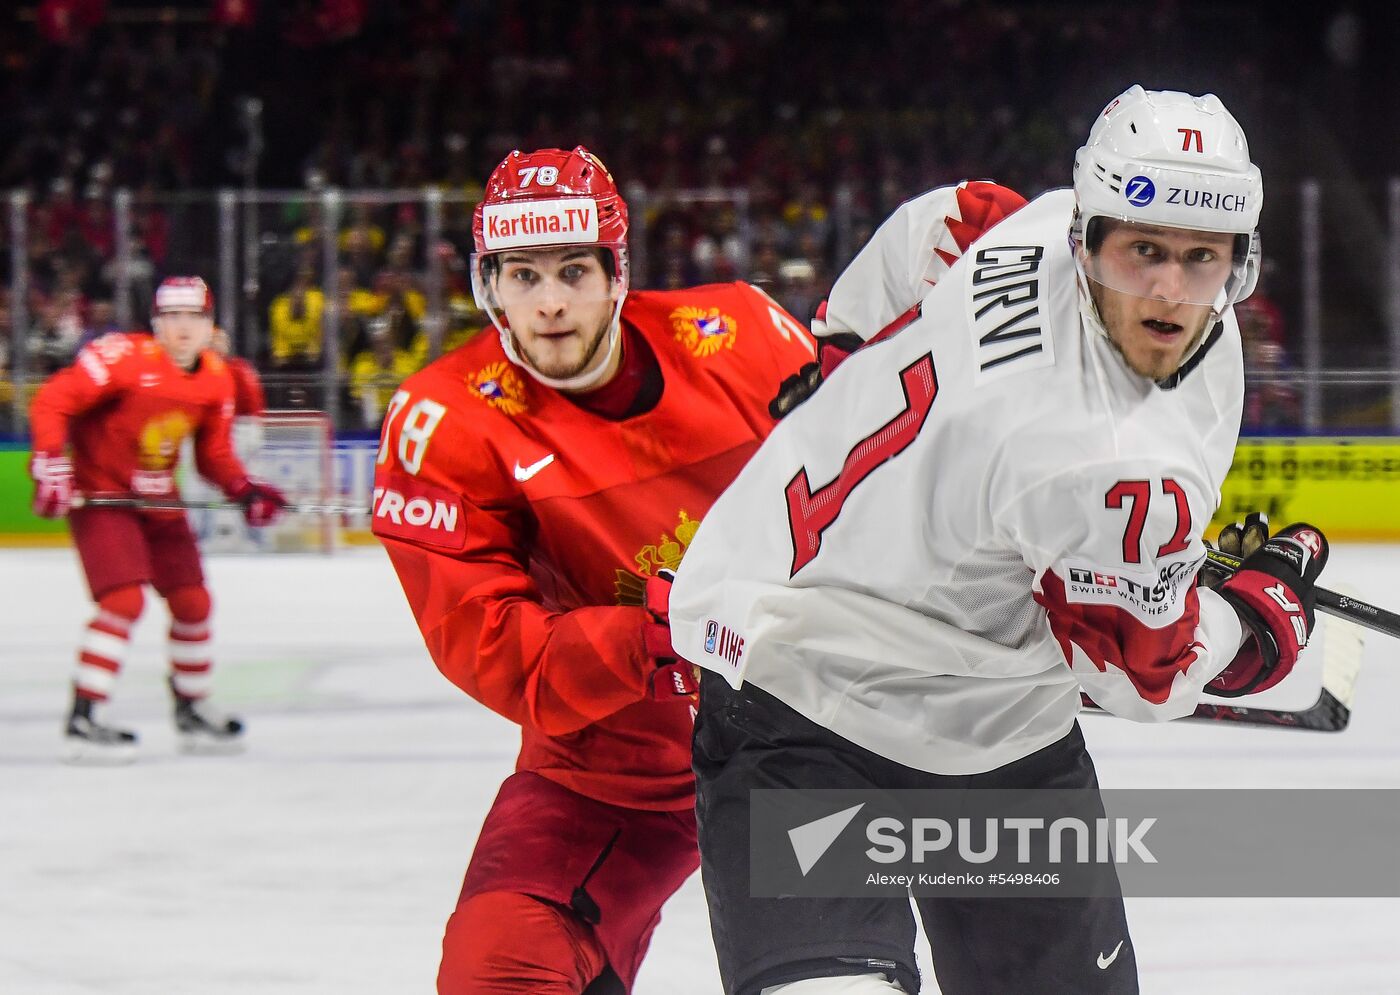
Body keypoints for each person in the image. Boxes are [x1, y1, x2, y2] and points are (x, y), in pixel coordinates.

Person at [669, 85, 1332, 995]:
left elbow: (936, 222)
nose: (1169, 291)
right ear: (1089, 240)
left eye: (1200, 256)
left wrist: (840, 351)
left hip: (987, 725)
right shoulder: (1104, 459)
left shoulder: (1026, 224)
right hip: (803, 694)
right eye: (1143, 251)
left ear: (1237, 261)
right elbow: (1147, 673)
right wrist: (1255, 622)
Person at [371, 146, 1019, 994]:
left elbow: (868, 469)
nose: (551, 301)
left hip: (809, 737)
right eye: (523, 275)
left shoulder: (736, 333)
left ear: (618, 273)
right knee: (498, 964)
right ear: (487, 285)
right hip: (615, 772)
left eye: (573, 270)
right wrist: (660, 634)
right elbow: (494, 646)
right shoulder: (446, 419)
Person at [29, 276, 289, 763]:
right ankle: (85, 716)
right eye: (172, 317)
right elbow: (53, 399)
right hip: (106, 498)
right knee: (123, 601)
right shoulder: (122, 358)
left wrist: (243, 488)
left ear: (210, 325)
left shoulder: (217, 378)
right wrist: (51, 462)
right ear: (156, 323)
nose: (183, 328)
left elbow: (213, 455)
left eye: (194, 317)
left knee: (193, 602)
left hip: (160, 503)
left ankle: (192, 708)